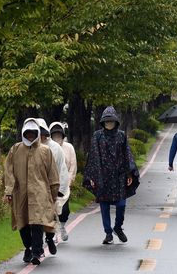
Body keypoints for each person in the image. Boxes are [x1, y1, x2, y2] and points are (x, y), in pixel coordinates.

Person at [4, 118, 60, 265]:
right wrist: (9, 190)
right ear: (23, 132)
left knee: (37, 222)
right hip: (20, 193)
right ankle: (28, 248)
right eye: (27, 133)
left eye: (32, 133)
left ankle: (36, 252)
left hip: (40, 193)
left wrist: (54, 194)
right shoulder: (15, 149)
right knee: (23, 223)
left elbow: (52, 175)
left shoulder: (45, 151)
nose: (30, 136)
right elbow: (8, 171)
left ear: (37, 133)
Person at [83, 106, 139, 244]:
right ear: (103, 122)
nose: (109, 124)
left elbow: (127, 155)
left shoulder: (121, 135)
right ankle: (108, 233)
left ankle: (118, 227)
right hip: (102, 176)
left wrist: (129, 173)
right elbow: (94, 157)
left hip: (119, 176)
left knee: (121, 204)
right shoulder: (97, 136)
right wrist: (92, 177)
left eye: (111, 121)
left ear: (115, 122)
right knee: (104, 206)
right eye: (107, 122)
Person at [35, 118, 70, 253]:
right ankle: (36, 248)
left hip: (50, 189)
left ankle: (49, 238)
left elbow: (61, 170)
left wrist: (59, 191)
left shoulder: (55, 148)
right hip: (34, 190)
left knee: (49, 217)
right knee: (35, 220)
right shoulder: (27, 148)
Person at [49, 121, 77, 241]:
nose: (57, 137)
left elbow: (73, 165)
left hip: (64, 184)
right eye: (54, 135)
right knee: (52, 209)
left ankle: (62, 226)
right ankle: (53, 231)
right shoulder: (46, 148)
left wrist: (69, 180)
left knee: (64, 210)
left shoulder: (69, 147)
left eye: (59, 135)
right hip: (50, 184)